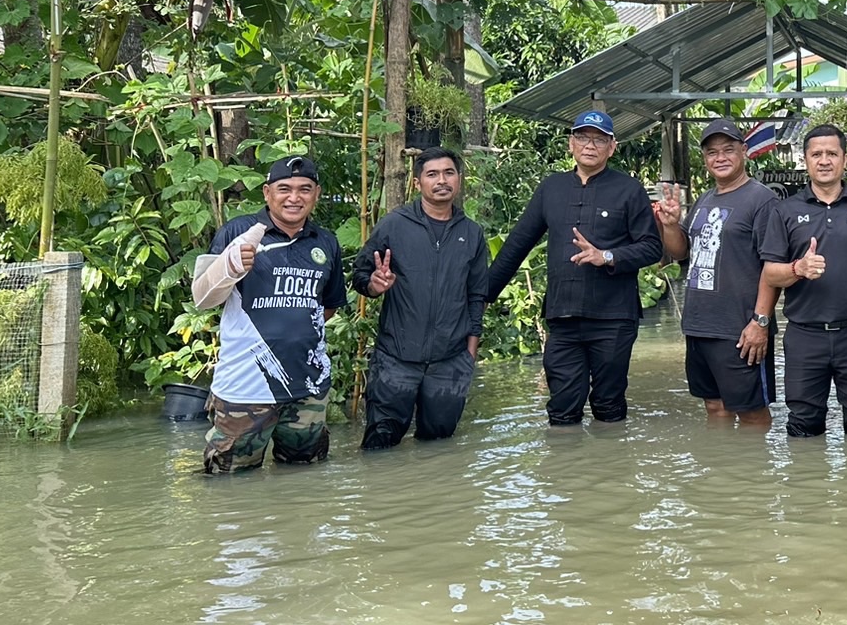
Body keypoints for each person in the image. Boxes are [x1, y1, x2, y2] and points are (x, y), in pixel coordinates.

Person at [485, 110, 664, 425]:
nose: (590, 145)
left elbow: (651, 247)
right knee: (562, 408)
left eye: (599, 139)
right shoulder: (551, 188)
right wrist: (481, 296)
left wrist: (606, 256)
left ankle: (611, 455)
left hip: (613, 318)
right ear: (571, 143)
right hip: (563, 316)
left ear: (612, 147)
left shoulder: (629, 189)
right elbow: (516, 246)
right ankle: (565, 456)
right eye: (582, 137)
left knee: (608, 405)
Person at [191, 155, 344, 474]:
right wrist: (229, 266)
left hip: (309, 389)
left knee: (305, 477)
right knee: (229, 481)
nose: (294, 197)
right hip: (245, 389)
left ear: (316, 194)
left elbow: (326, 307)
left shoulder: (326, 242)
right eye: (284, 188)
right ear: (267, 192)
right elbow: (202, 298)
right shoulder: (238, 231)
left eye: (305, 189)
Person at [760, 124, 847, 438]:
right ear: (806, 160)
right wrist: (798, 268)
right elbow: (770, 274)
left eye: (832, 154)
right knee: (803, 426)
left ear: (844, 160)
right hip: (805, 336)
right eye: (817, 154)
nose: (824, 160)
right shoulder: (785, 212)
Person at [352, 147, 490, 448]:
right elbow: (360, 275)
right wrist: (375, 284)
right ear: (417, 183)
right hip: (395, 358)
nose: (442, 181)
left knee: (439, 447)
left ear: (459, 179)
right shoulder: (394, 225)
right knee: (380, 445)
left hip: (450, 362)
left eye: (449, 173)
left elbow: (477, 295)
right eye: (432, 174)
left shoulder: (472, 233)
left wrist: (469, 354)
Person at [655, 118, 781, 427]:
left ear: (744, 151)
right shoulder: (705, 199)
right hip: (699, 324)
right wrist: (670, 225)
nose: (720, 158)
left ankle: (755, 462)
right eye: (712, 152)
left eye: (728, 150)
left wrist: (760, 322)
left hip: (740, 328)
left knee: (752, 413)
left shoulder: (762, 200)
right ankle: (720, 460)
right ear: (705, 159)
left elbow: (773, 267)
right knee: (715, 407)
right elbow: (682, 251)